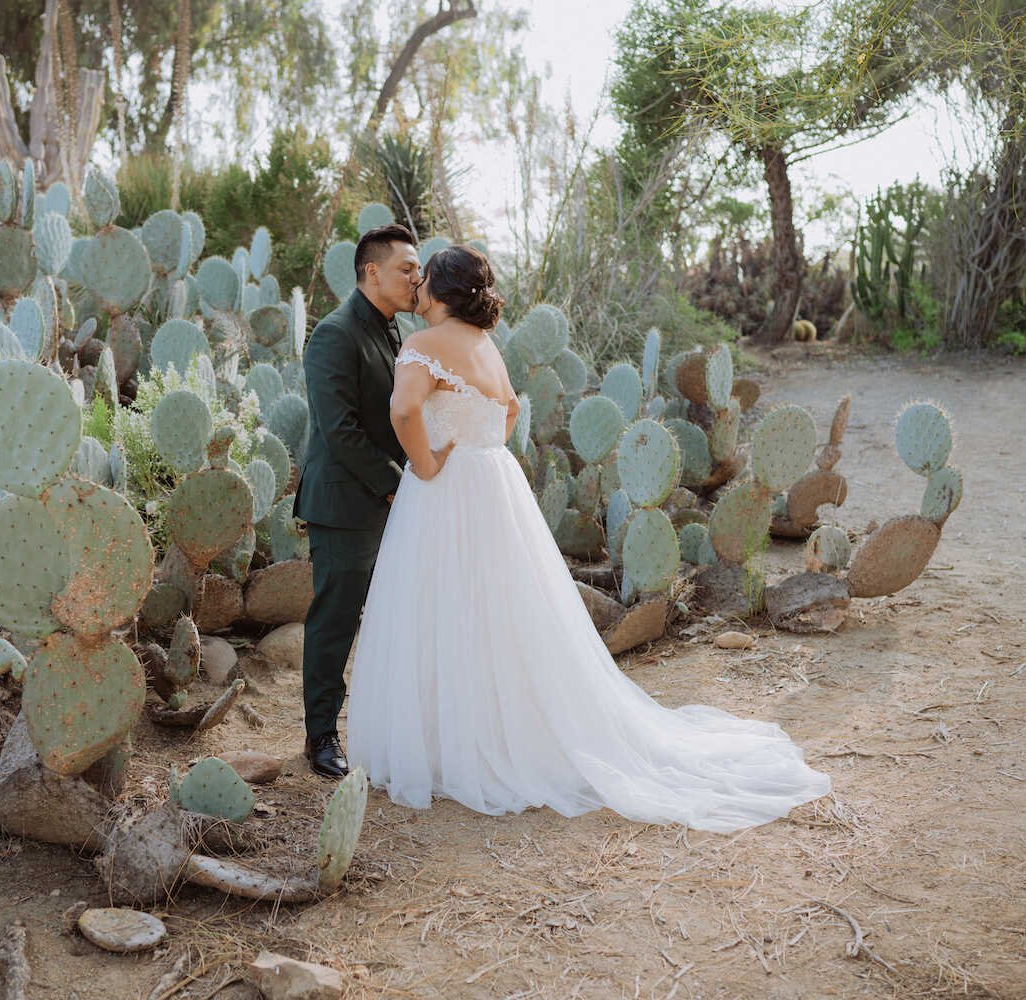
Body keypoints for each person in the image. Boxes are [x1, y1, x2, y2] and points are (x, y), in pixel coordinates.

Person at [345, 244, 832, 832]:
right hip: (493, 485)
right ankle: (492, 731)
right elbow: (506, 416)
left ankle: (446, 742)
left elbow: (403, 412)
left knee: (440, 606)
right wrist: (475, 447)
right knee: (501, 610)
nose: (415, 288)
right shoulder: (486, 348)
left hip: (445, 490)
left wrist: (424, 463)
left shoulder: (422, 347)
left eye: (424, 281)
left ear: (442, 292)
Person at [294, 224, 428, 778]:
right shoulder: (333, 334)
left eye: (418, 269)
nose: (416, 278)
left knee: (396, 619)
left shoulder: (396, 331)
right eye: (406, 269)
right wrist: (397, 483)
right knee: (336, 623)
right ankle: (320, 736)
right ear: (372, 272)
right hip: (346, 506)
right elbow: (341, 430)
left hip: (395, 500)